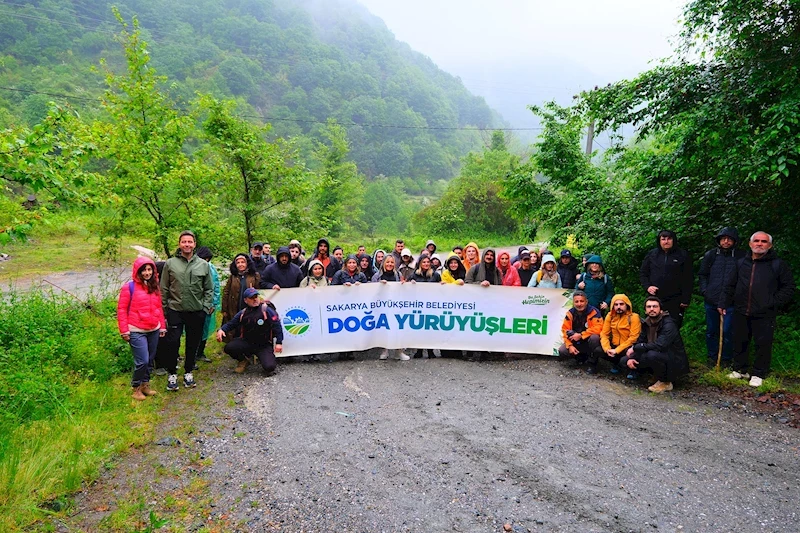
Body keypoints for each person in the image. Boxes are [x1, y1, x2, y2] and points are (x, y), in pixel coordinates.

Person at [724, 231, 795, 387]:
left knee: (763, 343)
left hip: (765, 312)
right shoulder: (741, 263)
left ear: (769, 246)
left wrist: (772, 302)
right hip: (741, 309)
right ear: (750, 244)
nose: (759, 244)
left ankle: (758, 373)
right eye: (756, 241)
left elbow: (789, 288)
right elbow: (730, 285)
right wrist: (724, 303)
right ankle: (740, 369)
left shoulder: (777, 265)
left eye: (763, 241)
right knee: (740, 340)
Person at [160, 231, 214, 391]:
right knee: (173, 342)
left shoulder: (203, 265)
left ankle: (188, 372)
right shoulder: (170, 264)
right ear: (179, 244)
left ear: (194, 244)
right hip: (175, 310)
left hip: (196, 311)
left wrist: (205, 307)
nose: (187, 244)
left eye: (190, 242)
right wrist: (164, 310)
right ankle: (172, 374)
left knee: (192, 343)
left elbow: (209, 288)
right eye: (184, 242)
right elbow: (164, 288)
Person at [117, 257, 167, 400]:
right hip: (136, 329)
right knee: (142, 360)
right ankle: (136, 387)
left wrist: (162, 326)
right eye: (144, 270)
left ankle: (146, 385)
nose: (147, 273)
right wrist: (124, 330)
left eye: (149, 269)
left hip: (154, 329)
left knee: (150, 359)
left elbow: (159, 308)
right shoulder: (129, 287)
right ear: (138, 271)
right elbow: (122, 309)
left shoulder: (154, 286)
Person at [697, 227, 746, 367]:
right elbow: (703, 275)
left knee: (728, 331)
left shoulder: (741, 256)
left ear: (734, 241)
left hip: (732, 301)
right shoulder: (711, 255)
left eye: (729, 239)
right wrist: (705, 291)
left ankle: (726, 358)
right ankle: (712, 357)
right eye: (723, 238)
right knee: (712, 330)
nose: (726, 241)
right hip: (711, 299)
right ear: (719, 240)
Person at [620, 296, 689, 393]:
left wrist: (636, 348)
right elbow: (640, 341)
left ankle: (666, 382)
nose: (652, 309)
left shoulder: (669, 324)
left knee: (651, 355)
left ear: (661, 310)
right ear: (645, 310)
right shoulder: (646, 323)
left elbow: (660, 345)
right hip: (656, 354)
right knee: (625, 359)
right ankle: (653, 376)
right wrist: (633, 356)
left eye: (655, 306)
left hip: (674, 360)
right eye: (649, 307)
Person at [217, 288, 283, 375]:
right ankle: (243, 360)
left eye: (256, 296)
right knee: (229, 348)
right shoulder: (243, 313)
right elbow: (231, 324)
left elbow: (277, 326)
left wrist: (279, 343)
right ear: (245, 300)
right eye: (251, 297)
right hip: (247, 342)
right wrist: (221, 330)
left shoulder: (267, 310)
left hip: (263, 344)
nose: (255, 299)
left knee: (269, 367)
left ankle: (265, 358)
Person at [639, 230, 693, 328]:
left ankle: (672, 343)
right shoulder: (652, 255)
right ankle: (652, 343)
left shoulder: (682, 255)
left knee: (673, 326)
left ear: (674, 240)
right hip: (655, 297)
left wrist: (686, 298)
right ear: (659, 241)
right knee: (652, 325)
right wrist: (648, 287)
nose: (666, 241)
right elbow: (643, 273)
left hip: (675, 298)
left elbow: (688, 278)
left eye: (669, 239)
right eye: (663, 239)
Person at [371, 256, 410, 361]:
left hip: (396, 305)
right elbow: (371, 291)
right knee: (384, 328)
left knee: (397, 328)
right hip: (382, 306)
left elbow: (403, 289)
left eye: (392, 262)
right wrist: (378, 285)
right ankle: (385, 350)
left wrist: (403, 285)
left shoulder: (398, 274)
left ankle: (399, 351)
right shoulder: (377, 276)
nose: (389, 264)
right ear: (383, 263)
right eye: (387, 262)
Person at [592, 294, 641, 375]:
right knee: (598, 350)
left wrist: (617, 350)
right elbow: (604, 334)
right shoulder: (610, 316)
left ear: (627, 305)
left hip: (627, 347)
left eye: (621, 304)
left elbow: (633, 338)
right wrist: (607, 348)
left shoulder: (634, 317)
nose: (619, 307)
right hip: (614, 345)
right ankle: (615, 364)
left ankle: (633, 370)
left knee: (630, 353)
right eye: (616, 304)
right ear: (612, 306)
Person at [331, 255, 368, 361]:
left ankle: (351, 350)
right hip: (342, 306)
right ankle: (342, 351)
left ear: (357, 264)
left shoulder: (361, 275)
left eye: (354, 263)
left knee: (353, 328)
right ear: (346, 264)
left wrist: (361, 286)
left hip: (355, 306)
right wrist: (342, 286)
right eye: (349, 263)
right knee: (342, 328)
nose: (352, 265)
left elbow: (368, 290)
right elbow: (332, 289)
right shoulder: (339, 274)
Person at [558, 290, 603, 364]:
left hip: (588, 340)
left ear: (586, 301)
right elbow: (565, 330)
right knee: (562, 351)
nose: (579, 304)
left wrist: (581, 335)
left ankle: (592, 361)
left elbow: (599, 328)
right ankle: (579, 357)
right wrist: (570, 346)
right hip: (576, 341)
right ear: (573, 303)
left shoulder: (594, 312)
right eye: (576, 301)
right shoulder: (570, 313)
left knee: (595, 338)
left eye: (581, 301)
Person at [195, 246, 220, 365]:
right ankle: (192, 354)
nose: (205, 261)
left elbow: (216, 287)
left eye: (207, 259)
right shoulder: (193, 267)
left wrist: (214, 303)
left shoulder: (211, 268)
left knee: (204, 329)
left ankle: (200, 353)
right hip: (194, 305)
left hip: (207, 305)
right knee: (194, 330)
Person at [222, 254, 261, 325]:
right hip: (234, 307)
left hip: (249, 306)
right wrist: (224, 309)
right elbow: (226, 292)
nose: (240, 264)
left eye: (242, 262)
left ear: (247, 263)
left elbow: (259, 291)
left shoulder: (254, 276)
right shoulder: (233, 277)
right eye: (238, 263)